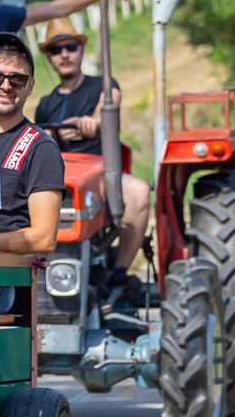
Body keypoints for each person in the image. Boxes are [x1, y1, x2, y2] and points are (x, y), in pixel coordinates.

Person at [33, 16, 150, 276]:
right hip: (62, 175)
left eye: (70, 47)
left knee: (139, 192)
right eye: (56, 49)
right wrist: (53, 132)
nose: (64, 55)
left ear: (81, 49)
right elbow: (41, 142)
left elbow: (109, 104)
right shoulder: (45, 104)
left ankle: (119, 272)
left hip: (101, 171)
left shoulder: (103, 86)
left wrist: (92, 121)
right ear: (48, 56)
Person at [0, 32, 68, 311]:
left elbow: (43, 238)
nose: (5, 86)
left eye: (17, 79)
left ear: (30, 87)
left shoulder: (40, 147)